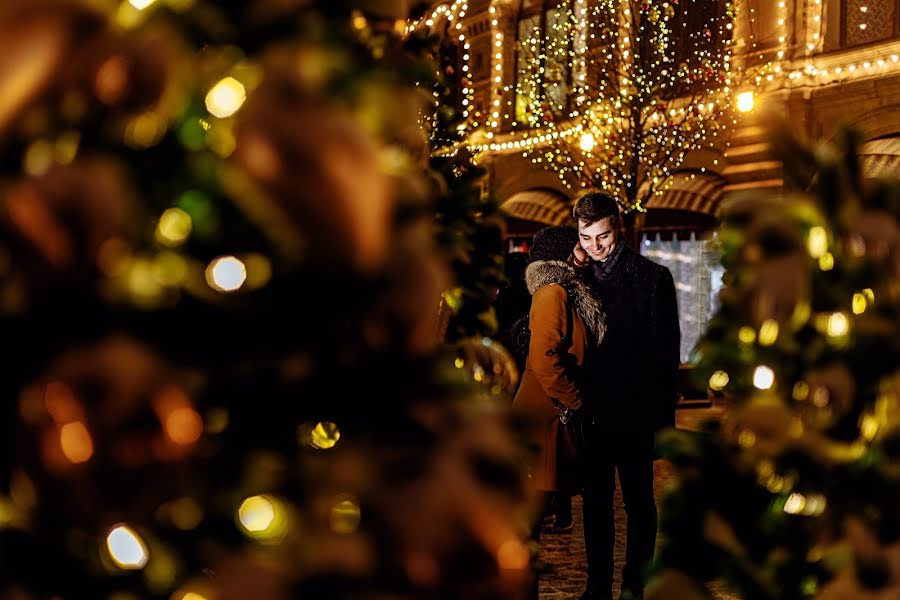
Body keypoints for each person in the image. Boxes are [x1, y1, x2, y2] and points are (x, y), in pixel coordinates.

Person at [570, 192, 681, 600]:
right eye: (586, 237)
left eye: (602, 236)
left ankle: (635, 584)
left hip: (635, 412)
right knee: (595, 506)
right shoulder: (574, 277)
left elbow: (665, 358)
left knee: (639, 504)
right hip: (592, 412)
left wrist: (662, 424)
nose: (595, 247)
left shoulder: (652, 278)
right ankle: (597, 586)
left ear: (617, 226)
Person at [512, 225, 607, 597]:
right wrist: (578, 401)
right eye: (579, 245)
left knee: (532, 522)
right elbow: (544, 358)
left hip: (552, 417)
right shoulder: (552, 293)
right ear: (564, 254)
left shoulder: (568, 291)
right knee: (526, 524)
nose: (586, 251)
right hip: (542, 420)